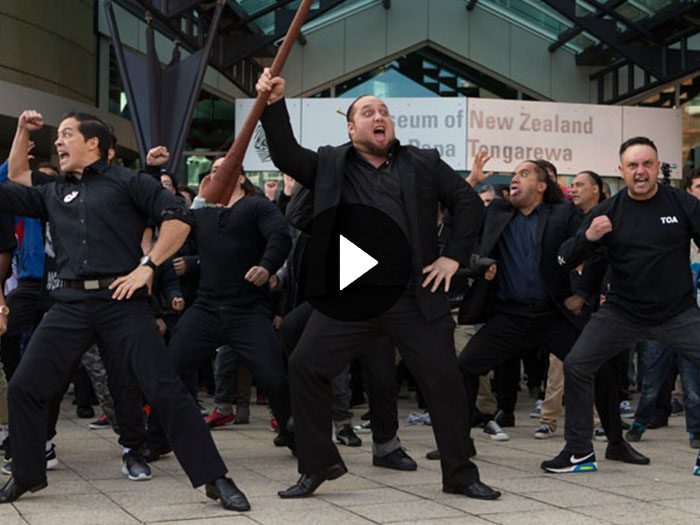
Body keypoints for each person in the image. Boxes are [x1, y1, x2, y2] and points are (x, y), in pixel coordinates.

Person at [256, 69, 499, 500]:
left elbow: (465, 200)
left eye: (383, 110)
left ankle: (460, 473)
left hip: (414, 293)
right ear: (352, 128)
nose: (378, 115)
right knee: (306, 365)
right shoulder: (332, 162)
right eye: (367, 112)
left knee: (443, 380)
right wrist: (274, 105)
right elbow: (288, 156)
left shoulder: (422, 162)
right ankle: (318, 464)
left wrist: (452, 256)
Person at [0, 109, 249, 511]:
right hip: (69, 304)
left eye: (66, 135)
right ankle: (28, 474)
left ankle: (214, 478)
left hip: (122, 300)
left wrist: (147, 267)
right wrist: (20, 131)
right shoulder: (52, 190)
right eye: (57, 136)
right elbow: (16, 179)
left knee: (164, 387)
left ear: (93, 143)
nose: (58, 142)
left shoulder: (128, 182)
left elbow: (180, 218)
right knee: (24, 386)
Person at [543, 137, 700, 476]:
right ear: (621, 171)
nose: (640, 172)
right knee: (577, 364)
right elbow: (563, 258)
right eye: (633, 165)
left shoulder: (683, 204)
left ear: (658, 167)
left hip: (677, 313)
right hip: (622, 313)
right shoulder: (605, 213)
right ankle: (579, 452)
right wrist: (589, 238)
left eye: (647, 164)